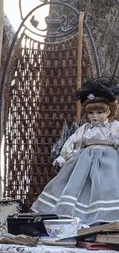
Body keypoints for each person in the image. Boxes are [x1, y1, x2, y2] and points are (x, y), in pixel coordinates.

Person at [33, 78, 119, 225]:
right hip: (84, 161)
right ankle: (79, 219)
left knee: (107, 188)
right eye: (91, 113)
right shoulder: (84, 128)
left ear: (109, 112)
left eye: (99, 112)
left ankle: (105, 219)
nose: (95, 116)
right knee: (78, 188)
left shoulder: (114, 126)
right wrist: (61, 158)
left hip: (109, 162)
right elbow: (72, 142)